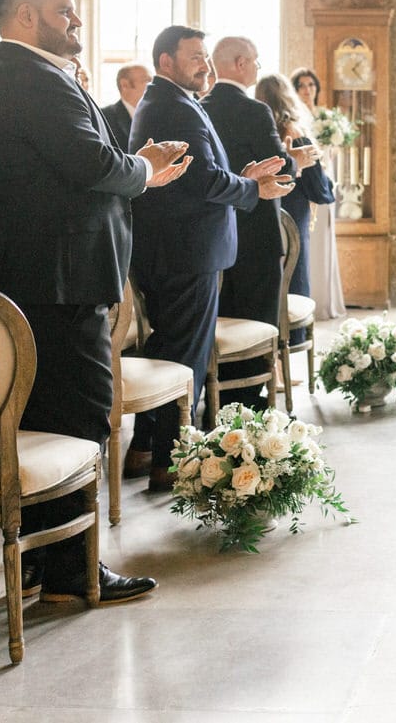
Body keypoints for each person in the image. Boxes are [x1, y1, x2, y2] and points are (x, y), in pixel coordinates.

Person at [0, 0, 190, 605]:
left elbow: (79, 161)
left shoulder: (26, 75)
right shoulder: (31, 78)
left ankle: (48, 560)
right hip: (54, 281)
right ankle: (71, 571)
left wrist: (139, 168)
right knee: (80, 415)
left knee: (50, 420)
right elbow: (89, 163)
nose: (77, 21)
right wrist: (145, 169)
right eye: (66, 11)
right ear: (27, 17)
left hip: (42, 276)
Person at [127, 27, 292, 490]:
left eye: (206, 56)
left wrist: (241, 178)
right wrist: (250, 188)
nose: (206, 66)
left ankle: (147, 451)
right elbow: (200, 181)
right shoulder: (171, 106)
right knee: (184, 363)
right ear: (165, 62)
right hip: (185, 252)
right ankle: (171, 462)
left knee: (170, 352)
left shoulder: (174, 102)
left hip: (181, 248)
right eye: (195, 57)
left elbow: (203, 176)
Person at [203, 37, 327, 410]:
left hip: (217, 231)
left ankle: (219, 397)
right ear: (240, 63)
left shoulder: (200, 107)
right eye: (255, 61)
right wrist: (297, 160)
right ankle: (250, 403)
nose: (257, 68)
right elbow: (277, 166)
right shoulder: (254, 111)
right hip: (256, 232)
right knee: (257, 316)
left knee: (222, 313)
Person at [255, 73, 336, 318]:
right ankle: (294, 335)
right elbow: (318, 187)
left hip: (262, 209)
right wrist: (328, 185)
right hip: (293, 209)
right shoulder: (294, 131)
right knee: (295, 270)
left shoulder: (258, 129)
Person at [291, 67, 346, 319]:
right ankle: (309, 299)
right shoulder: (294, 118)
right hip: (306, 181)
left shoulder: (324, 117)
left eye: (311, 85)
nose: (307, 89)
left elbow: (334, 148)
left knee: (323, 235)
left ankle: (325, 300)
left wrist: (331, 149)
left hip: (323, 178)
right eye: (301, 85)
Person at [101, 63, 152, 150]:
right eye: (147, 81)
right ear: (125, 85)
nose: (152, 85)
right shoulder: (105, 116)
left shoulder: (155, 115)